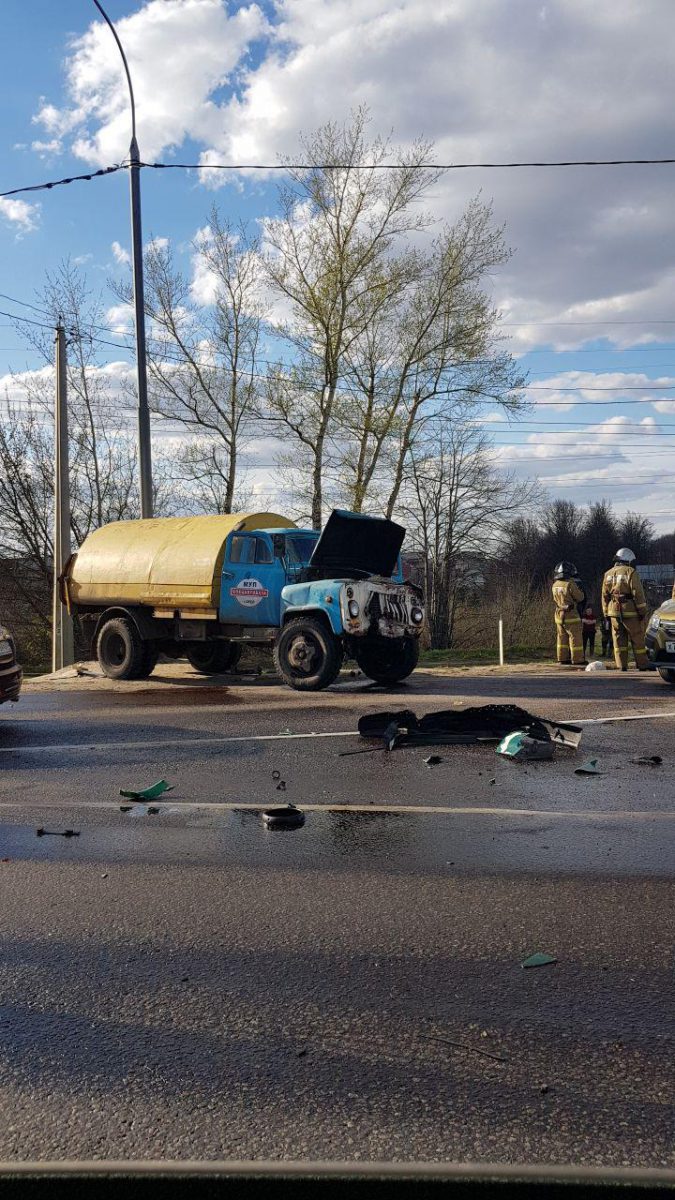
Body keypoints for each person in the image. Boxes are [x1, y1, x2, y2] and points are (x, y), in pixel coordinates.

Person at [601, 547, 648, 671]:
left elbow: (604, 595)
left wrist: (606, 612)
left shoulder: (608, 573)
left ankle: (622, 665)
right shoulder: (630, 572)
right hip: (630, 611)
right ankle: (642, 664)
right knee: (637, 638)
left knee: (618, 639)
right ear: (628, 560)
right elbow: (637, 593)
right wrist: (642, 611)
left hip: (613, 611)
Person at [552, 561, 585, 666]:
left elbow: (555, 600)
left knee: (561, 637)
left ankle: (562, 659)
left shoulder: (555, 584)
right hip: (571, 615)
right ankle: (578, 659)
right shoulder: (570, 583)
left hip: (559, 614)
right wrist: (580, 590)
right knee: (575, 638)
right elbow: (580, 598)